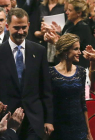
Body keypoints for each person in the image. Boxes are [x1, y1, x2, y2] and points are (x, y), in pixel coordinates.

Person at [0, 8, 53, 140]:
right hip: (7, 119)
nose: (21, 32)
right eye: (16, 28)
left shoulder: (39, 51)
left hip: (34, 119)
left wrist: (49, 120)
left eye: (24, 27)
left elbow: (46, 89)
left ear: (28, 25)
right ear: (7, 26)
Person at [49, 33, 93, 140]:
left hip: (79, 127)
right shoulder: (50, 73)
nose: (79, 52)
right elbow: (48, 103)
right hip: (59, 127)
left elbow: (83, 102)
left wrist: (88, 131)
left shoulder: (81, 71)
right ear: (65, 50)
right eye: (76, 49)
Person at [44, 0, 94, 68]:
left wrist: (55, 41)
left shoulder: (82, 28)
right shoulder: (70, 25)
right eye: (67, 10)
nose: (66, 12)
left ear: (79, 13)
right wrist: (57, 33)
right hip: (67, 65)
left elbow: (69, 47)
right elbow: (64, 39)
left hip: (77, 67)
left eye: (70, 10)